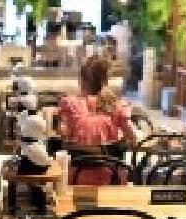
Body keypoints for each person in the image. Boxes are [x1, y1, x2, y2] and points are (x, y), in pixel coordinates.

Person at [58, 56, 137, 184]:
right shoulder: (117, 106)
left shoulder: (70, 104)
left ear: (82, 80)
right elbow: (133, 141)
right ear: (105, 80)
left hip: (76, 181)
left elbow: (63, 137)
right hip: (112, 181)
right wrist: (113, 144)